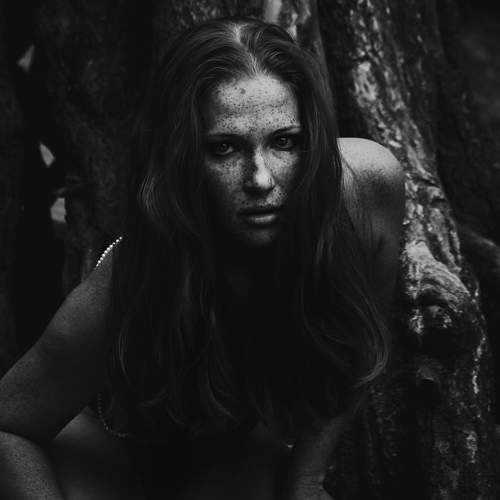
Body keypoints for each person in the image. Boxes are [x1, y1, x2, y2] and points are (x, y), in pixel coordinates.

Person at [0, 18, 405, 500]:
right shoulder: (131, 282)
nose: (260, 180)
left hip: (234, 461)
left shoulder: (366, 192)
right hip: (111, 457)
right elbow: (9, 425)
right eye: (225, 147)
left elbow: (356, 347)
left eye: (284, 142)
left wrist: (307, 478)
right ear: (183, 157)